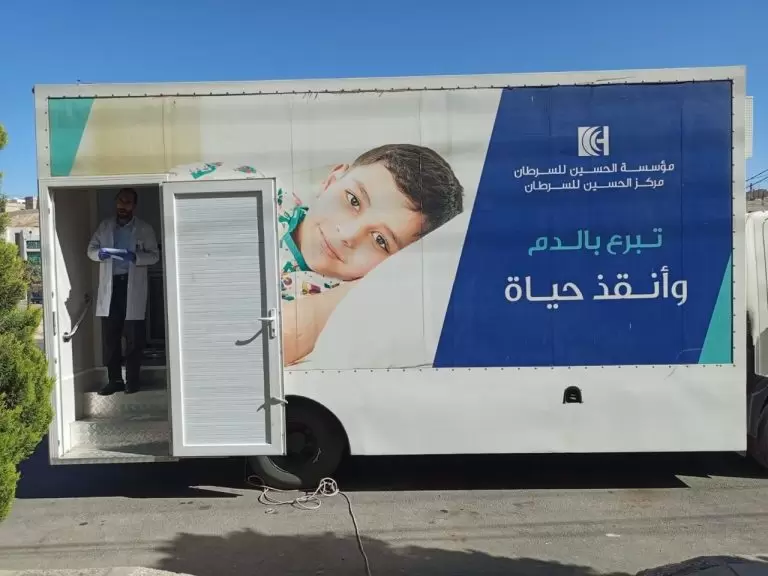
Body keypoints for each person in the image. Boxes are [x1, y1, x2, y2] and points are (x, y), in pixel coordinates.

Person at [170, 143, 464, 365]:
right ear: (332, 179)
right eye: (353, 200)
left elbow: (242, 352)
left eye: (380, 241)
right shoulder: (254, 188)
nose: (348, 234)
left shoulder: (341, 308)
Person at [87, 187, 159, 395]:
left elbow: (154, 256)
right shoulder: (105, 226)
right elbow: (91, 250)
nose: (123, 206)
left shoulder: (144, 228)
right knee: (111, 338)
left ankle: (132, 381)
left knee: (134, 338)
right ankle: (115, 380)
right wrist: (99, 254)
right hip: (112, 287)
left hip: (132, 285)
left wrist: (135, 256)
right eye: (120, 201)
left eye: (127, 202)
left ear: (134, 206)